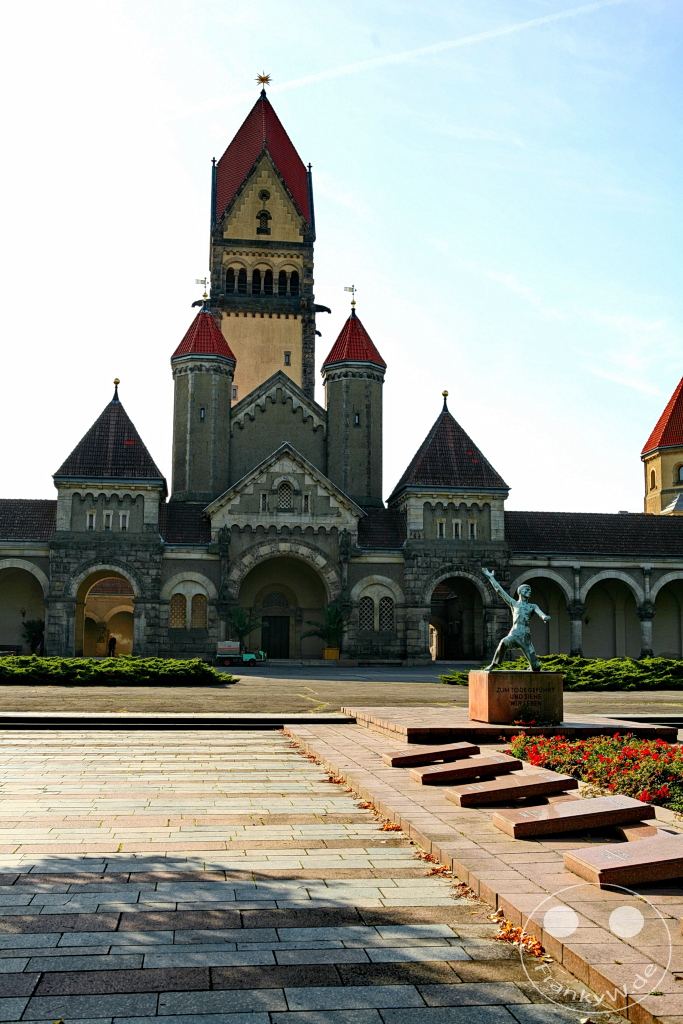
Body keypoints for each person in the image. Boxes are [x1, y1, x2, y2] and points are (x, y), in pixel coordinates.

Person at [481, 567, 550, 672]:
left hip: (525, 635)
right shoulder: (514, 603)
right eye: (527, 590)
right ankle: (494, 664)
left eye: (530, 590)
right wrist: (491, 578)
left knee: (535, 667)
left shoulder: (532, 606)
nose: (529, 592)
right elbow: (500, 591)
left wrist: (544, 617)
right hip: (514, 632)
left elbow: (540, 613)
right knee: (503, 642)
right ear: (520, 592)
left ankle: (534, 666)